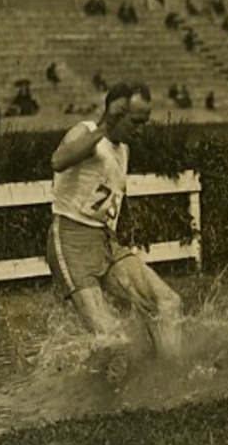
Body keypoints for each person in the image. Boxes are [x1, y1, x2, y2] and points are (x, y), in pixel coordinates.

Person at [44, 83, 183, 358]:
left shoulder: (123, 149)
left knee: (168, 303)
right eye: (135, 122)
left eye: (145, 122)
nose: (141, 130)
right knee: (110, 336)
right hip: (71, 240)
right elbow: (58, 161)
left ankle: (171, 382)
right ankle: (84, 389)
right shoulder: (85, 131)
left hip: (106, 242)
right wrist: (104, 128)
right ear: (115, 114)